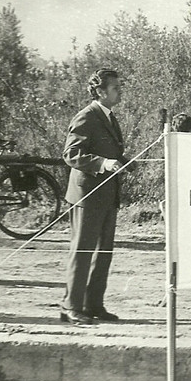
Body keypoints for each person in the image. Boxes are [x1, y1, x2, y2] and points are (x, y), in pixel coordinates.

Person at [61, 69, 132, 325]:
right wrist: (103, 163)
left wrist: (124, 162)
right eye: (115, 87)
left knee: (103, 253)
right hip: (87, 197)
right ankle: (71, 307)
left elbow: (109, 149)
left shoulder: (109, 117)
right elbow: (71, 154)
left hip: (107, 196)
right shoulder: (87, 117)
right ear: (100, 91)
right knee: (82, 252)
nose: (119, 91)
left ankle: (93, 305)